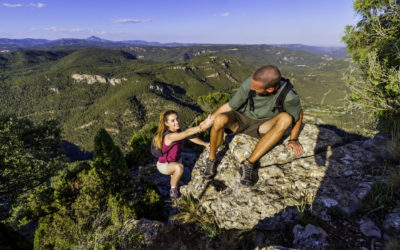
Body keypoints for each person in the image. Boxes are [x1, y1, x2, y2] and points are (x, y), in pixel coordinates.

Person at [204, 65, 304, 186]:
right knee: (219, 119)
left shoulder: (289, 95)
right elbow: (229, 106)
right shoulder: (251, 82)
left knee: (286, 118)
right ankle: (211, 159)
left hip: (264, 125)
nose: (251, 87)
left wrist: (294, 139)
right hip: (240, 118)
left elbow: (298, 114)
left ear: (270, 89)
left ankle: (248, 163)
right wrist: (210, 120)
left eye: (256, 88)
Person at [154, 110, 214, 198]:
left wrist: (204, 144)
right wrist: (203, 126)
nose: (177, 121)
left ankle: (174, 179)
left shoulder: (178, 131)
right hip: (164, 164)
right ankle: (173, 190)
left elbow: (189, 136)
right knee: (179, 168)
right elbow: (187, 133)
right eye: (173, 120)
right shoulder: (169, 136)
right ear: (167, 123)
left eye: (177, 118)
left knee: (177, 169)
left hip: (176, 159)